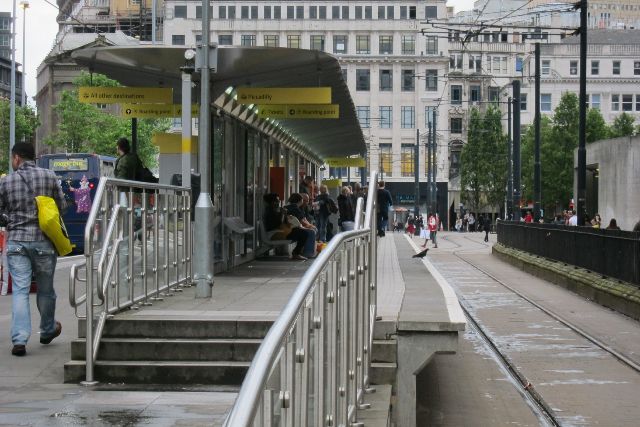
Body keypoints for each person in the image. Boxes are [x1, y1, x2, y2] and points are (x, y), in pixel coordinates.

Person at [0, 143, 66, 356]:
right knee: (46, 290)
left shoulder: (7, 181)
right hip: (44, 242)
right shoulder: (49, 176)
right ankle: (47, 329)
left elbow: (1, 213)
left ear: (17, 158)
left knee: (20, 290)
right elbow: (61, 205)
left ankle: (19, 340)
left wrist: (11, 219)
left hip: (17, 242)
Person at [263, 193, 308, 260]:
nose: (278, 202)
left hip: (281, 232)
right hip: (275, 234)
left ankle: (296, 253)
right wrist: (283, 214)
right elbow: (277, 224)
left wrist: (286, 216)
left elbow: (281, 222)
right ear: (272, 202)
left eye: (278, 201)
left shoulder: (274, 210)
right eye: (277, 201)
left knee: (301, 231)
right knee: (303, 233)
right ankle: (296, 253)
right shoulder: (270, 211)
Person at [284, 193, 317, 258]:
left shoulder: (286, 206)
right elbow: (303, 221)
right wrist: (311, 226)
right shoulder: (295, 208)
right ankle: (308, 253)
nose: (305, 202)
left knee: (309, 230)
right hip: (290, 231)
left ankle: (305, 251)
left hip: (287, 230)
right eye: (303, 200)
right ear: (300, 200)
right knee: (311, 232)